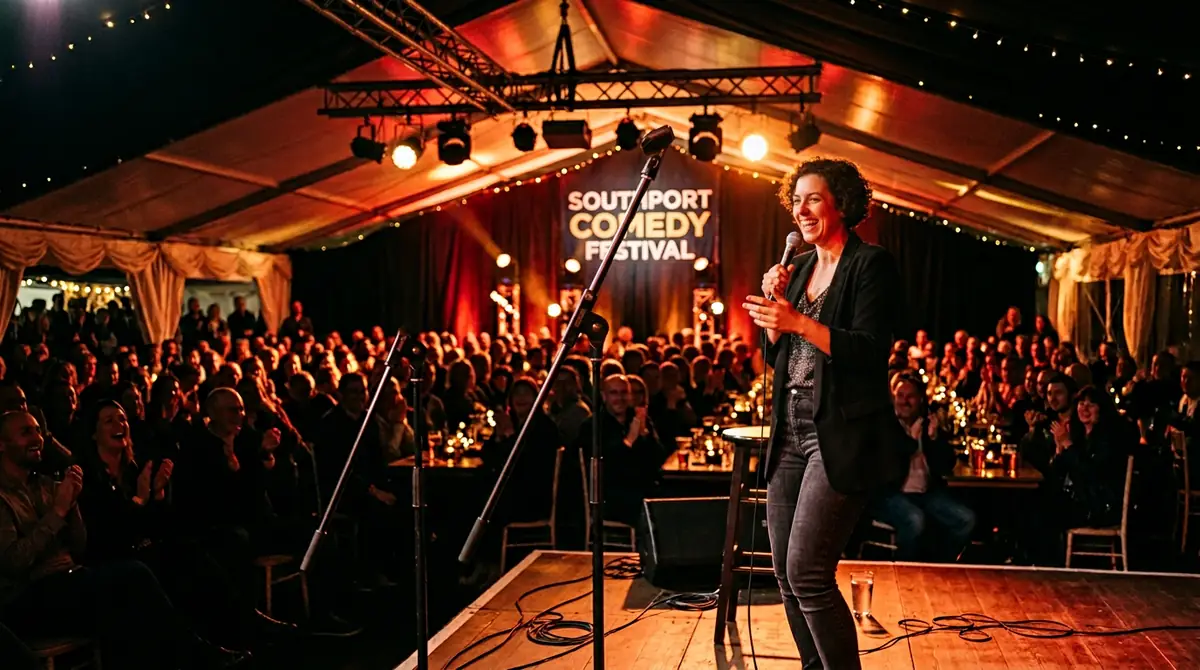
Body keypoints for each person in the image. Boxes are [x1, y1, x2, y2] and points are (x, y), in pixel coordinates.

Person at [742, 158, 907, 669]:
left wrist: (796, 321)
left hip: (838, 434)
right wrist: (776, 314)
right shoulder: (802, 269)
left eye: (813, 198)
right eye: (796, 200)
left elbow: (869, 349)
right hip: (788, 432)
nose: (802, 209)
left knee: (808, 570)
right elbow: (777, 355)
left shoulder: (869, 264)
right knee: (787, 575)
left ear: (842, 203)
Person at [871, 376, 975, 562]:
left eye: (910, 396)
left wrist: (935, 438)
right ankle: (904, 570)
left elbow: (947, 464)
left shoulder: (927, 423)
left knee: (966, 519)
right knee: (915, 520)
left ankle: (941, 564)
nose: (904, 401)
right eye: (900, 395)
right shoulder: (885, 425)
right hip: (893, 495)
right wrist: (911, 439)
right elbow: (888, 466)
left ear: (920, 399)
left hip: (926, 494)